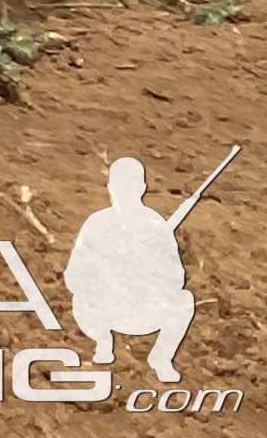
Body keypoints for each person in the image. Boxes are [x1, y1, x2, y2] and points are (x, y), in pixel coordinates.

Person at [64, 156, 198, 382]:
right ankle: (158, 356)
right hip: (137, 313)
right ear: (142, 188)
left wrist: (140, 275)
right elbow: (177, 278)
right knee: (184, 300)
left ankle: (105, 342)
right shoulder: (153, 224)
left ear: (110, 188)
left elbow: (74, 277)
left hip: (118, 312)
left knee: (81, 297)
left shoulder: (98, 222)